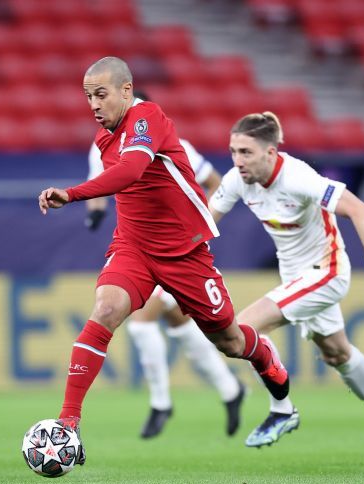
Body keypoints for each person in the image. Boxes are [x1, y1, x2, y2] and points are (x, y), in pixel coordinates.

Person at [37, 57, 289, 465]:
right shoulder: (103, 141)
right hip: (133, 247)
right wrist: (93, 205)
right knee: (106, 309)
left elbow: (132, 171)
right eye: (88, 97)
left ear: (125, 90)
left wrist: (73, 193)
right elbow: (117, 181)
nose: (94, 105)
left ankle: (264, 358)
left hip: (184, 252)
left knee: (230, 341)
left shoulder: (147, 116)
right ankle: (68, 423)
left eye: (101, 94)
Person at [208, 111, 364, 467]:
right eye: (233, 151)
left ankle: (281, 409)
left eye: (246, 152)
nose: (237, 161)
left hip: (326, 271)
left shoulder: (299, 177)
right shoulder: (238, 179)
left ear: (271, 153)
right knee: (336, 353)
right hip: (295, 277)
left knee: (244, 329)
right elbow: (203, 225)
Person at [84, 91, 246, 440]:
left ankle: (161, 402)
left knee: (143, 323)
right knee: (180, 324)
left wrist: (199, 223)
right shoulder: (103, 143)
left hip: (176, 249)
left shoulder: (176, 145)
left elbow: (215, 182)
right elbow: (99, 187)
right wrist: (93, 212)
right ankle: (230, 389)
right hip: (137, 246)